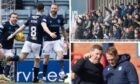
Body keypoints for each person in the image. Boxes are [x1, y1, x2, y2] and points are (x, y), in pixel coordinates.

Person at [7, 3, 45, 83]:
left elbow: (20, 28)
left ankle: (11, 58)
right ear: (43, 10)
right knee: (37, 60)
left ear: (36, 9)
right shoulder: (43, 18)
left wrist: (12, 35)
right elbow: (45, 28)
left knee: (20, 58)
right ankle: (35, 79)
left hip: (28, 41)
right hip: (37, 43)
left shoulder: (30, 17)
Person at [41, 3, 67, 81]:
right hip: (47, 40)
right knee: (46, 59)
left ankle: (62, 73)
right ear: (50, 9)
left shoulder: (60, 17)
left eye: (55, 8)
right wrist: (50, 33)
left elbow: (62, 29)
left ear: (57, 9)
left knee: (61, 54)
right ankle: (44, 77)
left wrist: (66, 38)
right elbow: (44, 27)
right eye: (52, 8)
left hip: (57, 39)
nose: (53, 10)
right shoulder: (46, 17)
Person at [0, 13, 19, 81]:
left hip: (9, 48)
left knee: (10, 60)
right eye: (13, 17)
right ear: (9, 18)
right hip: (1, 46)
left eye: (16, 17)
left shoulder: (17, 26)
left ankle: (5, 75)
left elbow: (17, 37)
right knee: (1, 57)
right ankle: (1, 74)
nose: (15, 19)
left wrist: (21, 38)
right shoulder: (4, 24)